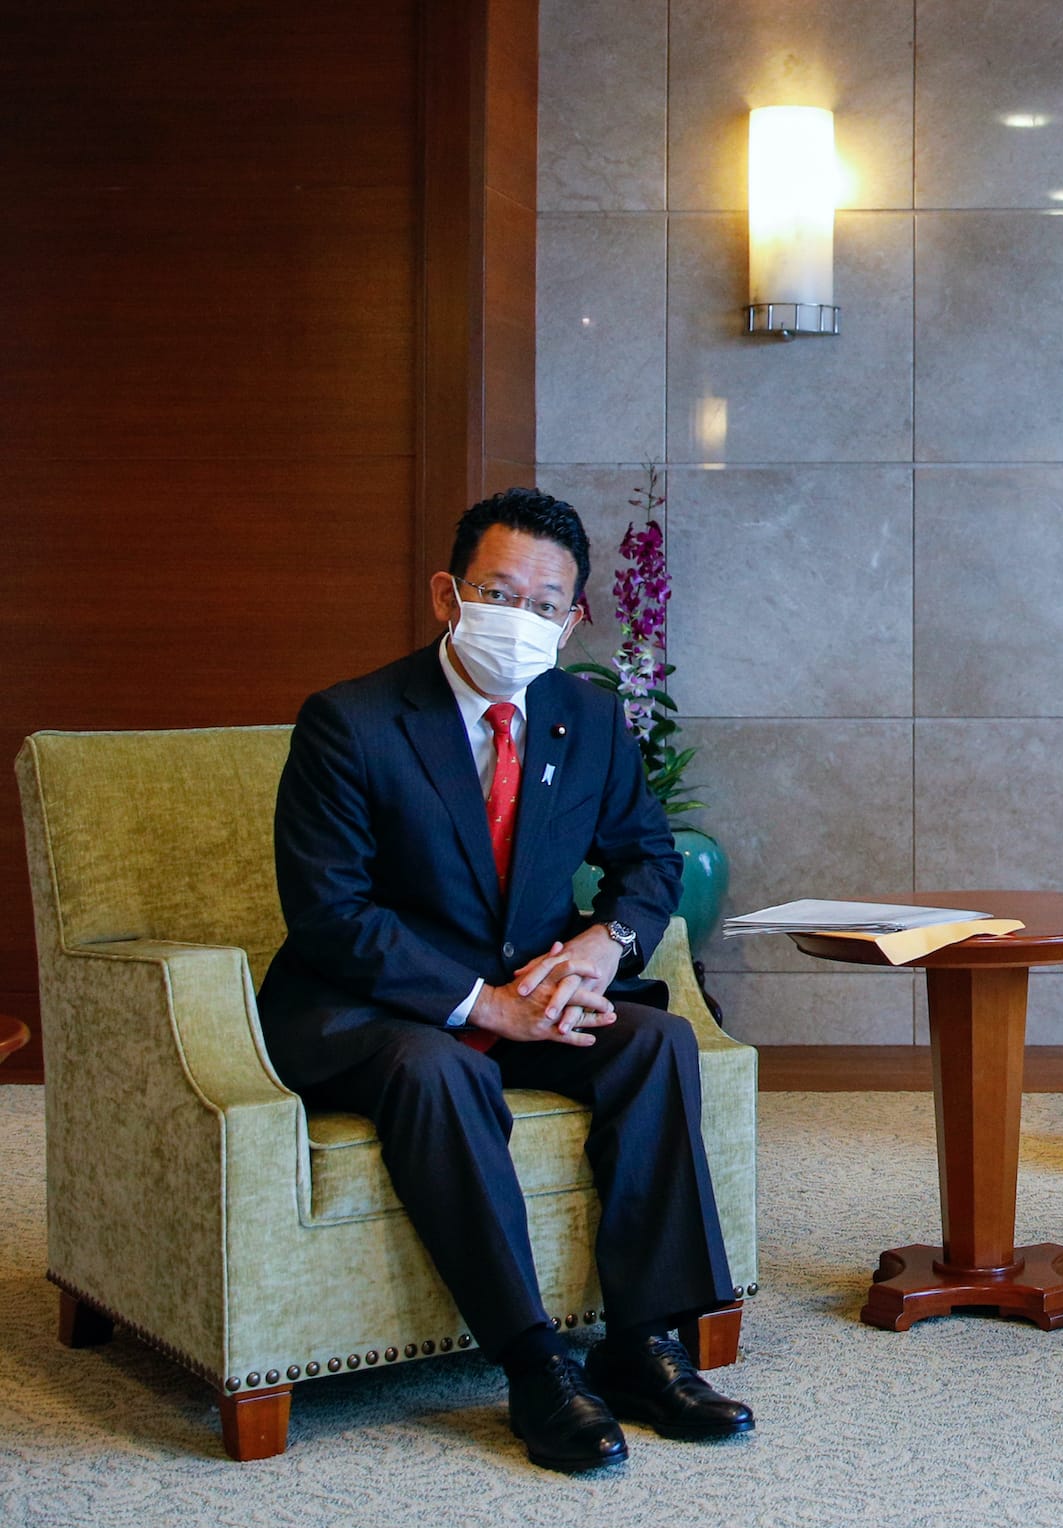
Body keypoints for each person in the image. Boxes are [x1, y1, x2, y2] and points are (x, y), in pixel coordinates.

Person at [258, 488, 752, 1474]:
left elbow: (648, 860)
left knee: (654, 1041)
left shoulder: (587, 717)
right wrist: (485, 1005)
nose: (518, 618)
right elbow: (329, 913)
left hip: (535, 983)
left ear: (572, 621)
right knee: (437, 1071)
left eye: (544, 603)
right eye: (497, 590)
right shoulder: (350, 723)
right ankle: (533, 1363)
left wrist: (605, 944)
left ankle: (642, 1343)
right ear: (448, 594)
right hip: (375, 1005)